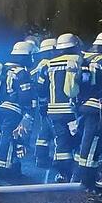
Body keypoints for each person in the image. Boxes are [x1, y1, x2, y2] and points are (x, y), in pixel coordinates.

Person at [74, 31, 102, 189]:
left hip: (84, 106)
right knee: (93, 144)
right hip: (99, 109)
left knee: (86, 143)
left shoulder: (85, 58)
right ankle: (87, 182)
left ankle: (82, 179)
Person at [40, 33, 84, 182]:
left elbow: (42, 87)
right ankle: (77, 173)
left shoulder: (49, 64)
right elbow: (84, 83)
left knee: (61, 141)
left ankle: (62, 174)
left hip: (54, 111)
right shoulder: (78, 60)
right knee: (79, 139)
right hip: (74, 111)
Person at [0, 41, 35, 181]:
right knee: (10, 139)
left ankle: (13, 168)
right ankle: (3, 172)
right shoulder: (22, 72)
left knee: (9, 139)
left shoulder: (4, 69)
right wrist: (29, 111)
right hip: (13, 110)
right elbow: (25, 96)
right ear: (24, 56)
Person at [32, 38, 56, 169]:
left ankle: (41, 157)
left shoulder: (39, 65)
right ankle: (46, 159)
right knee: (54, 131)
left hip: (41, 103)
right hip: (49, 103)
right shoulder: (48, 64)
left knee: (44, 131)